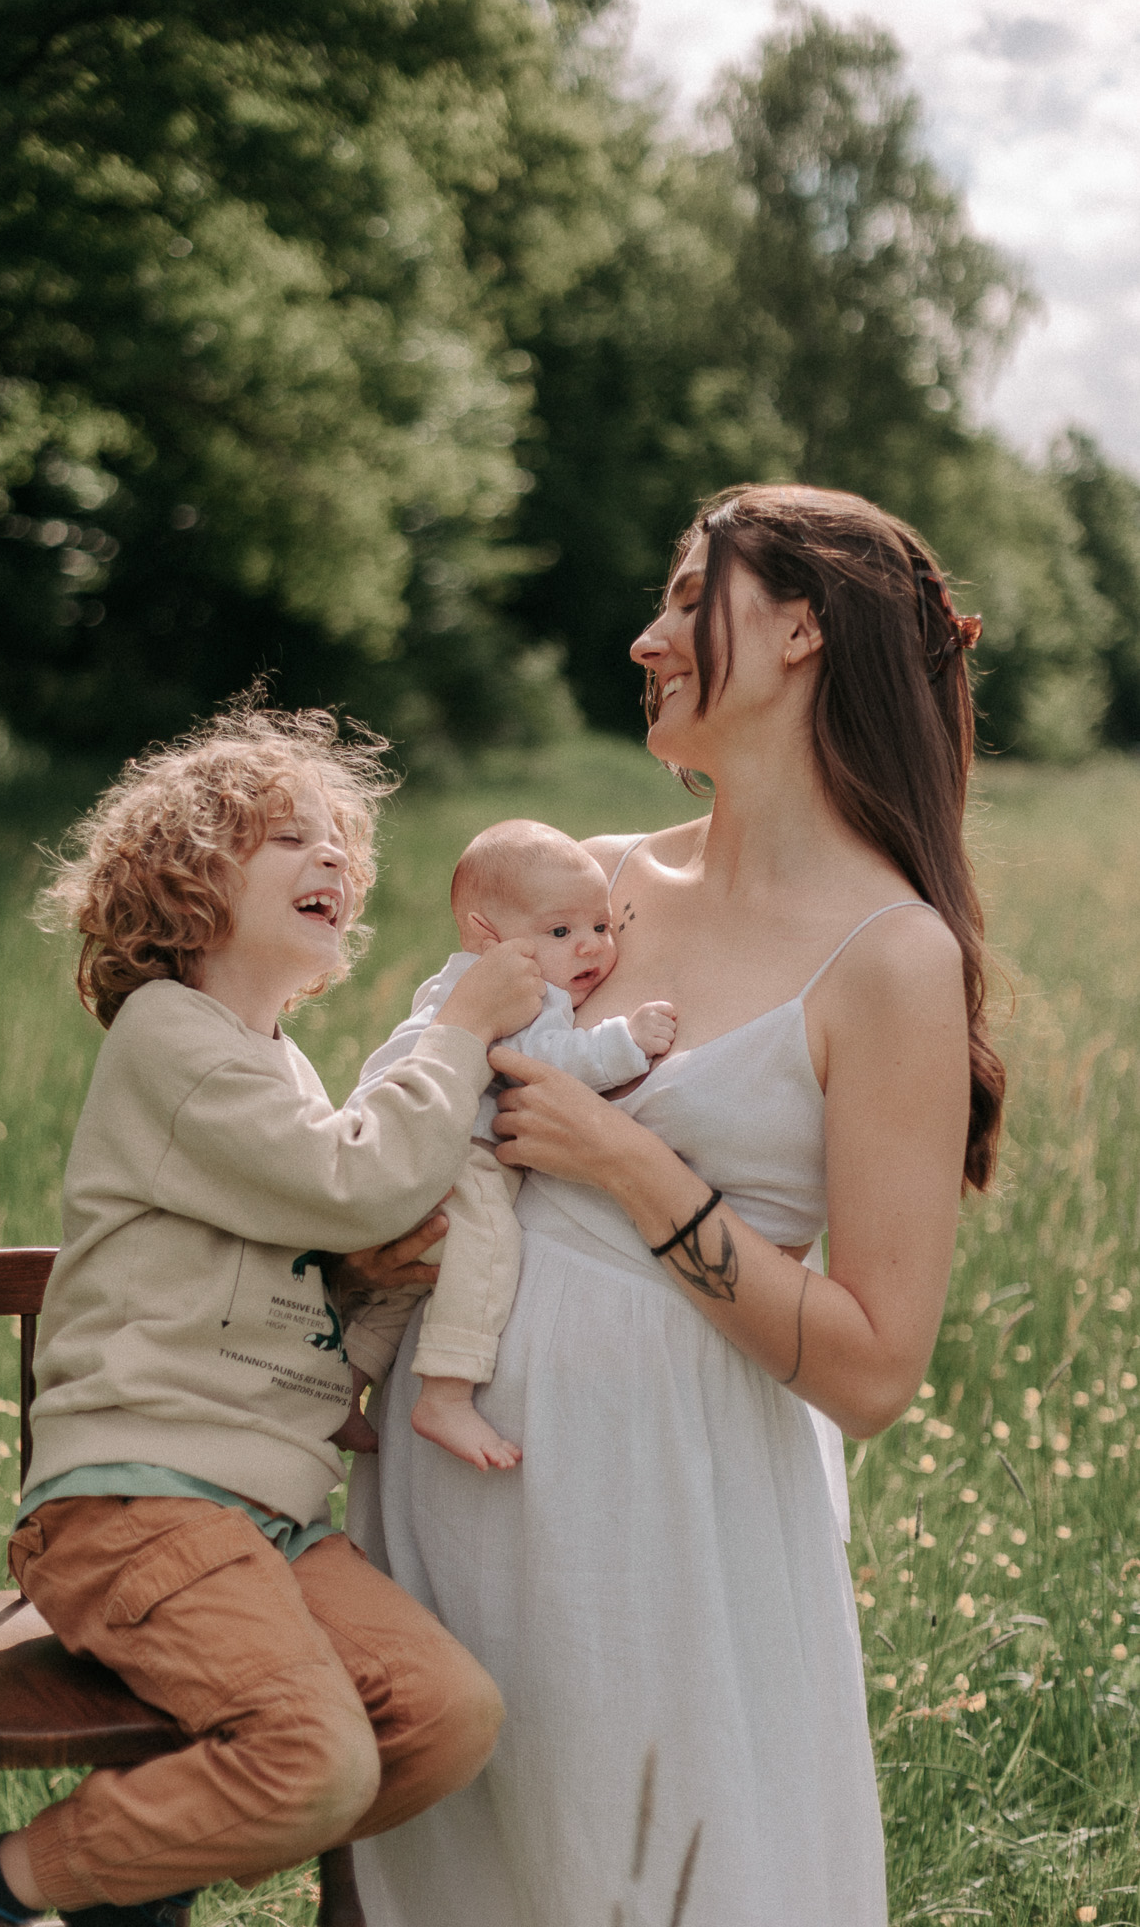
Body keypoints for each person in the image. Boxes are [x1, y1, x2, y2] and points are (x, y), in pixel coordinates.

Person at [344, 485, 1003, 1927]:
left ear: (796, 632)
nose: (646, 638)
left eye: (686, 594)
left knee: (663, 1884)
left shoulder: (889, 956)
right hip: (451, 1483)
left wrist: (625, 1160)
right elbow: (417, 1094)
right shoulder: (584, 886)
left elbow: (874, 1368)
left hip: (667, 1521)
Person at [0, 699, 547, 1927]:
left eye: (340, 846)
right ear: (190, 879)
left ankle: (129, 1874)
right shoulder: (169, 1036)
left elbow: (292, 1316)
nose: (335, 862)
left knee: (448, 1717)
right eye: (286, 838)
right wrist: (458, 1027)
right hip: (137, 1504)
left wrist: (376, 1289)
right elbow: (354, 1177)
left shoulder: (279, 1067)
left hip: (266, 1514)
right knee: (318, 1758)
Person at [335, 819, 676, 1470]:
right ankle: (445, 1395)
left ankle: (343, 1388)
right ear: (484, 933)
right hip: (456, 1155)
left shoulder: (458, 979)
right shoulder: (511, 989)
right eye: (559, 932)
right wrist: (624, 1041)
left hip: (409, 1148)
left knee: (409, 1285)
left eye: (600, 927)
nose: (590, 949)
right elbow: (537, 1060)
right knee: (486, 1246)